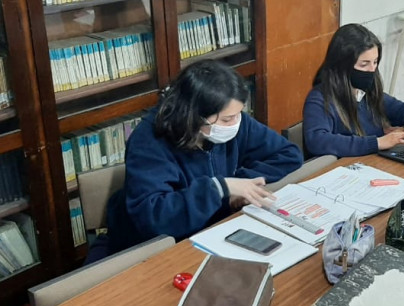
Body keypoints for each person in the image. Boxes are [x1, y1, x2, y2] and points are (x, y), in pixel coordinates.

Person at [102, 60, 302, 256]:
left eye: (238, 114)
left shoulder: (234, 119)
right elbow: (155, 218)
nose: (236, 123)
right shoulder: (150, 140)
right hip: (157, 247)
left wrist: (240, 185)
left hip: (213, 230)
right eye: (227, 119)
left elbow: (289, 155)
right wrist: (221, 188)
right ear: (193, 115)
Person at [302, 23, 404, 158]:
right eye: (364, 64)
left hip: (371, 161)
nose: (372, 70)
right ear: (343, 66)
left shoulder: (366, 91)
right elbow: (318, 141)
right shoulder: (319, 99)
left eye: (375, 62)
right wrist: (377, 143)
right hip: (345, 170)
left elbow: (401, 109)